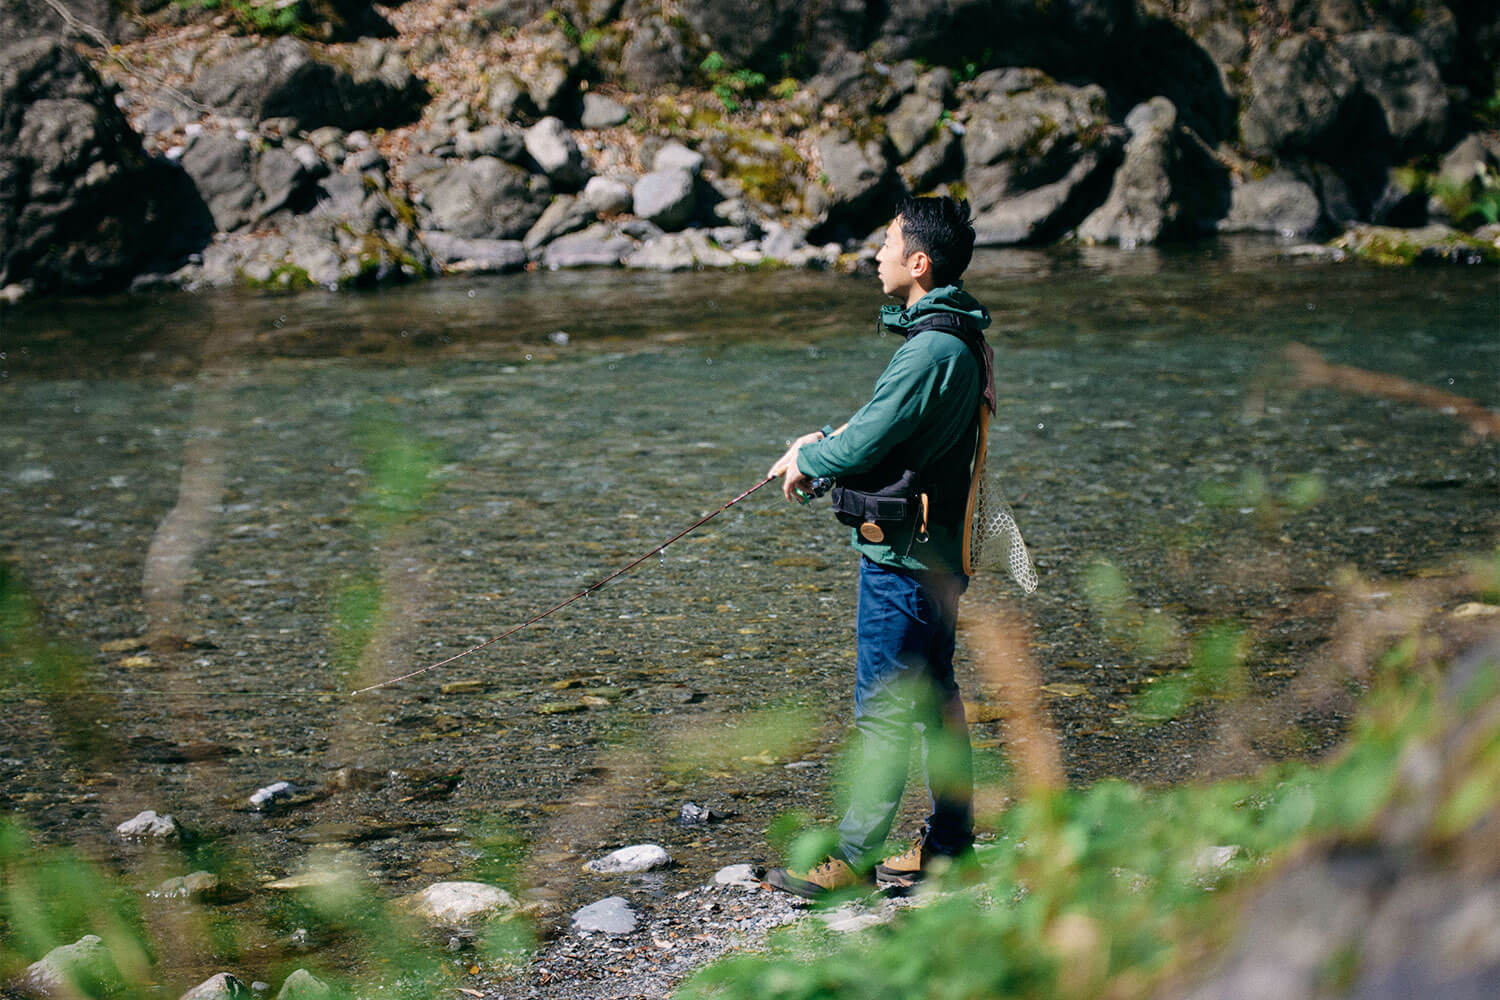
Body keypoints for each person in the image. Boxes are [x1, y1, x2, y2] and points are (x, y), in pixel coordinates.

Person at [763, 195, 995, 899]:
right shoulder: (955, 337)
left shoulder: (931, 350)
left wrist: (810, 459)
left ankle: (854, 858)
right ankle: (950, 849)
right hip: (939, 554)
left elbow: (866, 441)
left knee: (885, 711)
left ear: (918, 263)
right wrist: (819, 446)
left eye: (888, 243)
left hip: (905, 561)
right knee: (936, 704)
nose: (877, 254)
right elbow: (885, 429)